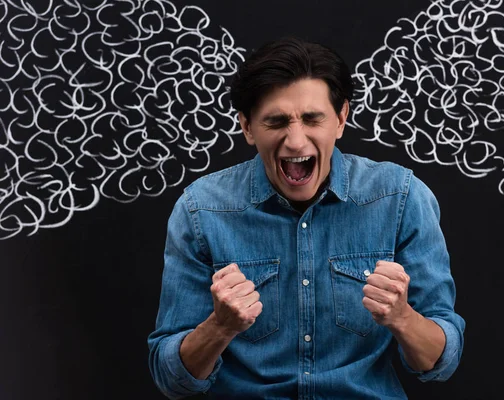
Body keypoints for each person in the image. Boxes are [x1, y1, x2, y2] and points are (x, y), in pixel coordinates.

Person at [148, 37, 465, 400]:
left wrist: (402, 317)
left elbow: (441, 362)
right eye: (276, 121)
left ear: (341, 118)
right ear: (248, 127)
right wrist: (219, 326)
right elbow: (170, 378)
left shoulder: (401, 198)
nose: (296, 142)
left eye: (312, 119)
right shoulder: (200, 209)